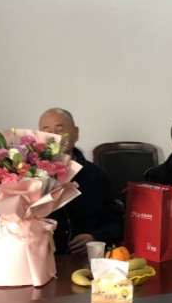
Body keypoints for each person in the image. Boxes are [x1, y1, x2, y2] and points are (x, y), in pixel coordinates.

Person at [38, 108, 124, 255]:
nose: (54, 138)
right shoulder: (27, 175)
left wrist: (96, 237)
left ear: (75, 133)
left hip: (85, 258)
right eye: (47, 132)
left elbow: (114, 221)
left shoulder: (96, 175)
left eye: (59, 130)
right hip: (41, 257)